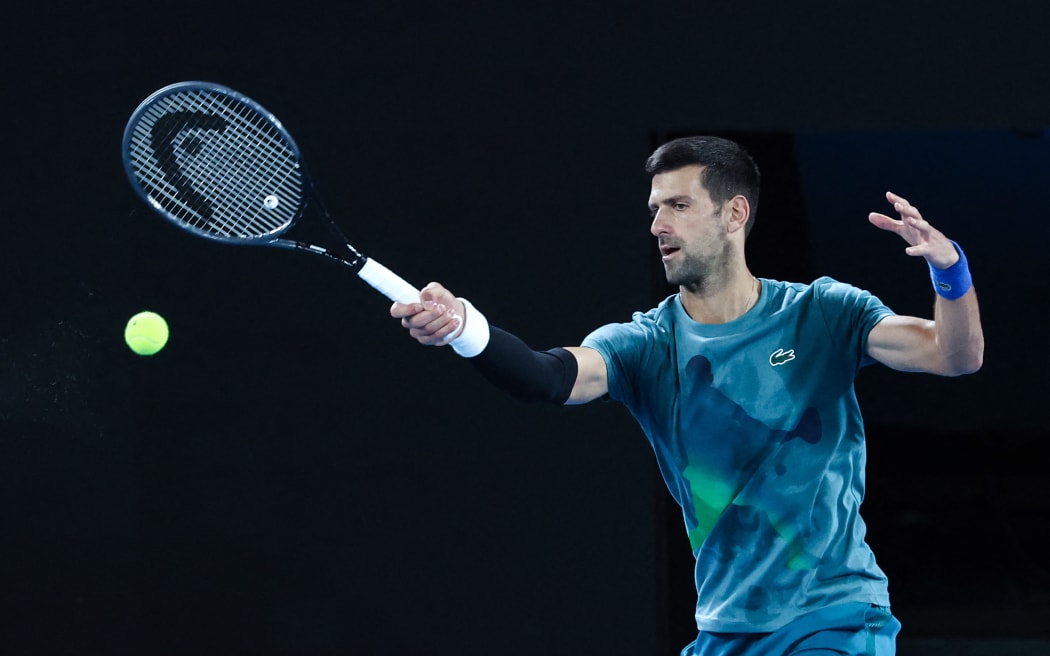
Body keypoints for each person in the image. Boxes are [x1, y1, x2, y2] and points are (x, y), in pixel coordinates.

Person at [390, 136, 984, 655]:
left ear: (734, 213)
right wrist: (465, 330)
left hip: (833, 616)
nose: (657, 225)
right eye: (653, 209)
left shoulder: (823, 312)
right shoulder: (645, 344)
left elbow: (954, 356)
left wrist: (950, 270)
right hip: (723, 629)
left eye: (677, 205)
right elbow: (548, 379)